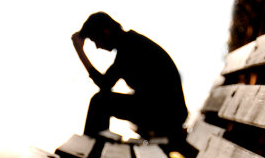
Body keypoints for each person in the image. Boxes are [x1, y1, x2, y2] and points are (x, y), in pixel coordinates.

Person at [72, 12, 188, 142]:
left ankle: (88, 149)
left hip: (168, 115)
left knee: (99, 102)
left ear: (106, 32)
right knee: (102, 100)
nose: (97, 47)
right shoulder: (130, 42)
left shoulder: (129, 47)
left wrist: (80, 51)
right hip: (168, 111)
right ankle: (94, 146)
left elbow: (105, 84)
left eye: (95, 41)